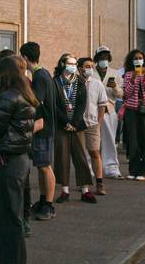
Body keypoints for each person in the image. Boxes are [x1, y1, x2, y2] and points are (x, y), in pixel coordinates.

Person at [0, 56, 36, 264]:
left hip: (10, 159)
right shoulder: (22, 94)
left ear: (4, 75)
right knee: (6, 212)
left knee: (10, 213)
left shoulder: (8, 96)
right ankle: (6, 260)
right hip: (17, 158)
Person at [19, 42, 57, 220]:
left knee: (45, 167)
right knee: (41, 167)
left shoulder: (40, 76)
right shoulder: (41, 74)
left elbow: (36, 101)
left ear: (25, 58)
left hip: (43, 128)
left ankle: (49, 205)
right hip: (42, 128)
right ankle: (42, 200)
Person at [53, 54, 96, 203]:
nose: (73, 66)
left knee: (81, 157)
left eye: (75, 63)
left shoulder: (79, 81)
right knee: (62, 157)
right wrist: (65, 121)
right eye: (70, 63)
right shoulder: (55, 82)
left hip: (77, 126)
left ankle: (85, 190)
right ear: (63, 64)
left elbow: (82, 104)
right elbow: (55, 105)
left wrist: (75, 122)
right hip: (61, 125)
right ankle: (64, 190)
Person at [122, 49, 145, 181]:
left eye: (140, 58)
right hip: (132, 110)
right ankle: (133, 170)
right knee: (133, 142)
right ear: (131, 61)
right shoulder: (128, 74)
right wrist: (133, 79)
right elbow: (126, 93)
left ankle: (144, 171)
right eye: (135, 58)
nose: (138, 60)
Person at [92, 46, 124, 179]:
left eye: (105, 58)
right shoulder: (91, 72)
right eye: (101, 58)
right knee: (92, 142)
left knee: (109, 140)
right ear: (97, 59)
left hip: (108, 110)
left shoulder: (115, 73)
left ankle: (112, 168)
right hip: (92, 111)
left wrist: (115, 87)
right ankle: (91, 169)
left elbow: (121, 94)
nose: (103, 60)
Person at [78, 57, 108, 195]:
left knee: (94, 152)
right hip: (78, 125)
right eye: (86, 66)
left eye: (91, 66)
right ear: (80, 68)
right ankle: (84, 183)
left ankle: (100, 183)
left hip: (92, 124)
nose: (89, 68)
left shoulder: (97, 84)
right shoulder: (74, 83)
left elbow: (102, 105)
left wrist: (99, 122)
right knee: (81, 155)